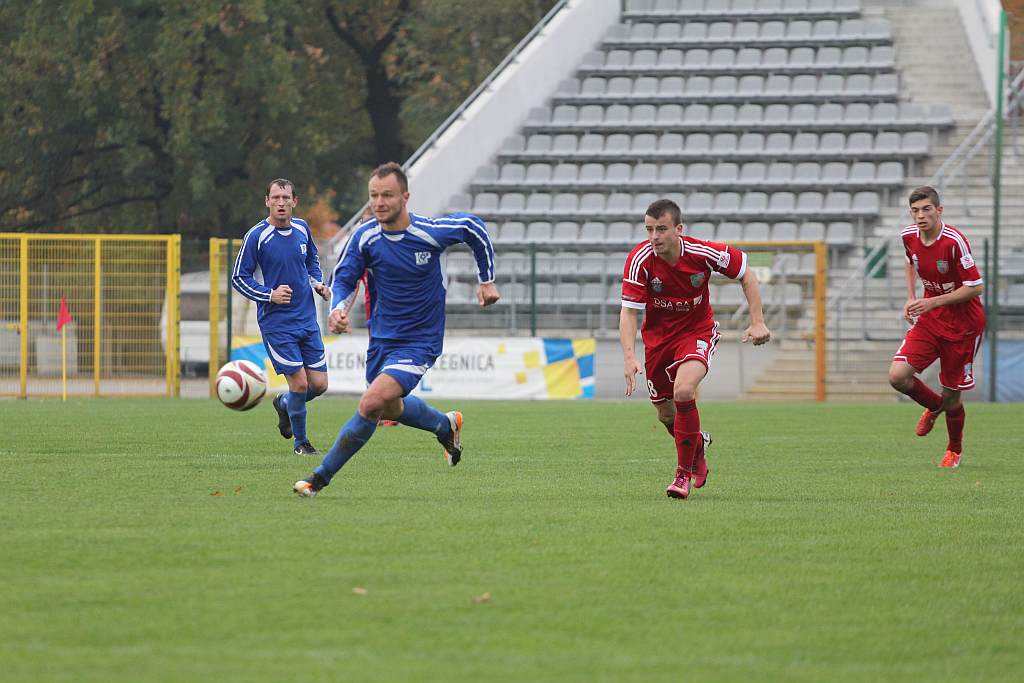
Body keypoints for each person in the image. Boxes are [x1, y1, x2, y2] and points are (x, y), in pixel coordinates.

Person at [293, 162, 499, 497]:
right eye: (373, 195)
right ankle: (444, 425)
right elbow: (343, 278)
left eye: (387, 195)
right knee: (387, 407)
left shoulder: (428, 232)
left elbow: (472, 226)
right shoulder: (365, 237)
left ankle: (318, 479)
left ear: (405, 197)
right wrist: (338, 309)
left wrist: (486, 280)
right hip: (381, 340)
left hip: (420, 340)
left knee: (371, 402)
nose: (379, 202)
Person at [620, 198, 771, 499]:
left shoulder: (702, 252)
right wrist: (629, 356)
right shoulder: (639, 260)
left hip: (696, 331)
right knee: (666, 415)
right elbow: (629, 311)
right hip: (659, 341)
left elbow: (747, 273)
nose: (654, 237)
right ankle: (697, 445)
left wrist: (757, 322)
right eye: (649, 230)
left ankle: (682, 475)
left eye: (661, 229)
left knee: (684, 390)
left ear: (679, 229)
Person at [232, 178, 331, 456]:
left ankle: (285, 403)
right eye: (275, 197)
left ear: (294, 201)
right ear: (267, 201)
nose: (281, 202)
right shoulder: (257, 236)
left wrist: (318, 284)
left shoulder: (302, 228)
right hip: (277, 324)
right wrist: (270, 295)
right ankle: (301, 443)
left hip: (307, 319)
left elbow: (312, 260)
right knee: (299, 383)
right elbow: (239, 277)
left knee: (319, 385)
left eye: (286, 197)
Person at [888, 186, 985, 468]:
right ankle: (935, 406)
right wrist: (911, 297)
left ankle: (954, 450)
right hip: (931, 320)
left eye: (926, 209)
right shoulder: (908, 236)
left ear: (939, 210)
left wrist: (931, 302)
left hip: (964, 326)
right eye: (915, 211)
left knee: (952, 394)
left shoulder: (954, 241)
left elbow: (975, 287)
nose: (920, 216)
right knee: (898, 376)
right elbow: (910, 261)